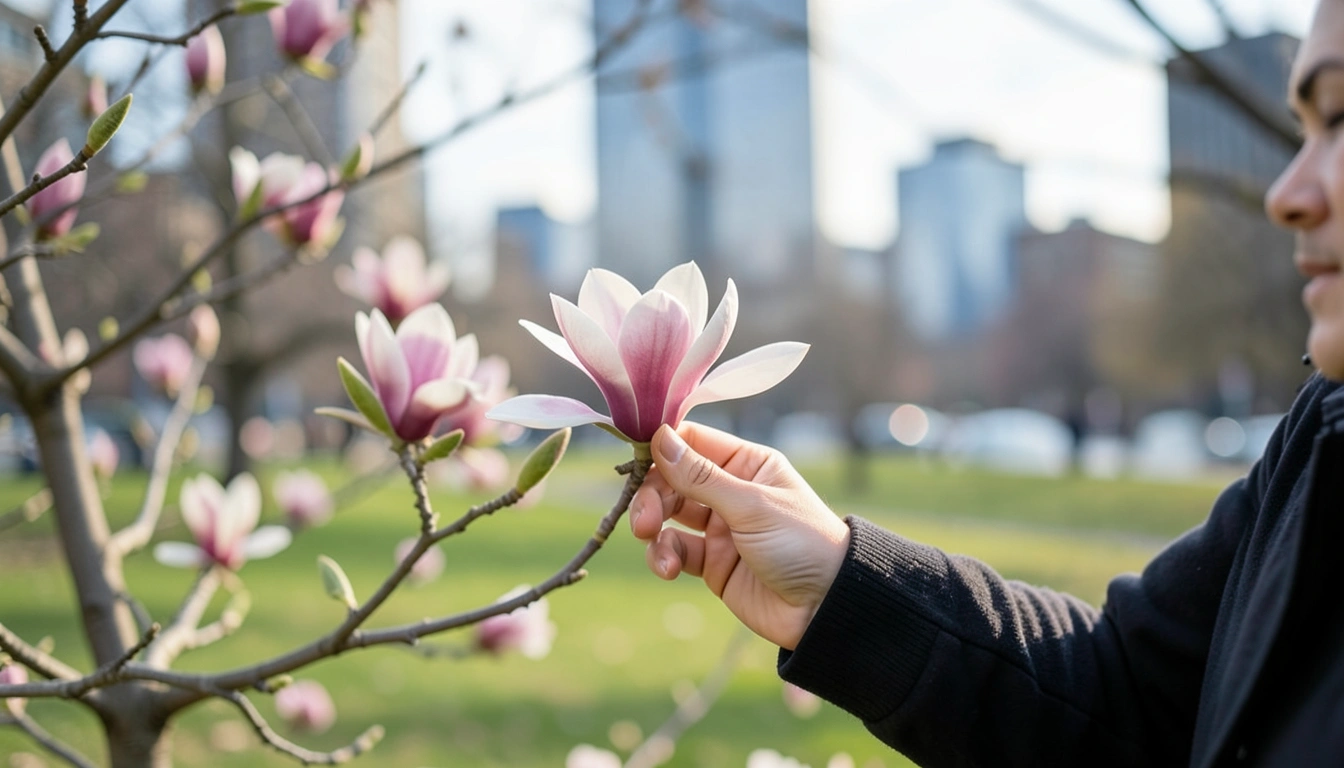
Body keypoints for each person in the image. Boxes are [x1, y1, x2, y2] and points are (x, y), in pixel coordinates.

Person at [630, 2, 1344, 765]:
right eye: (1303, 129)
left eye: (1339, 119)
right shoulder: (1321, 440)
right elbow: (1132, 697)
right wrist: (841, 585)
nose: (1287, 193)